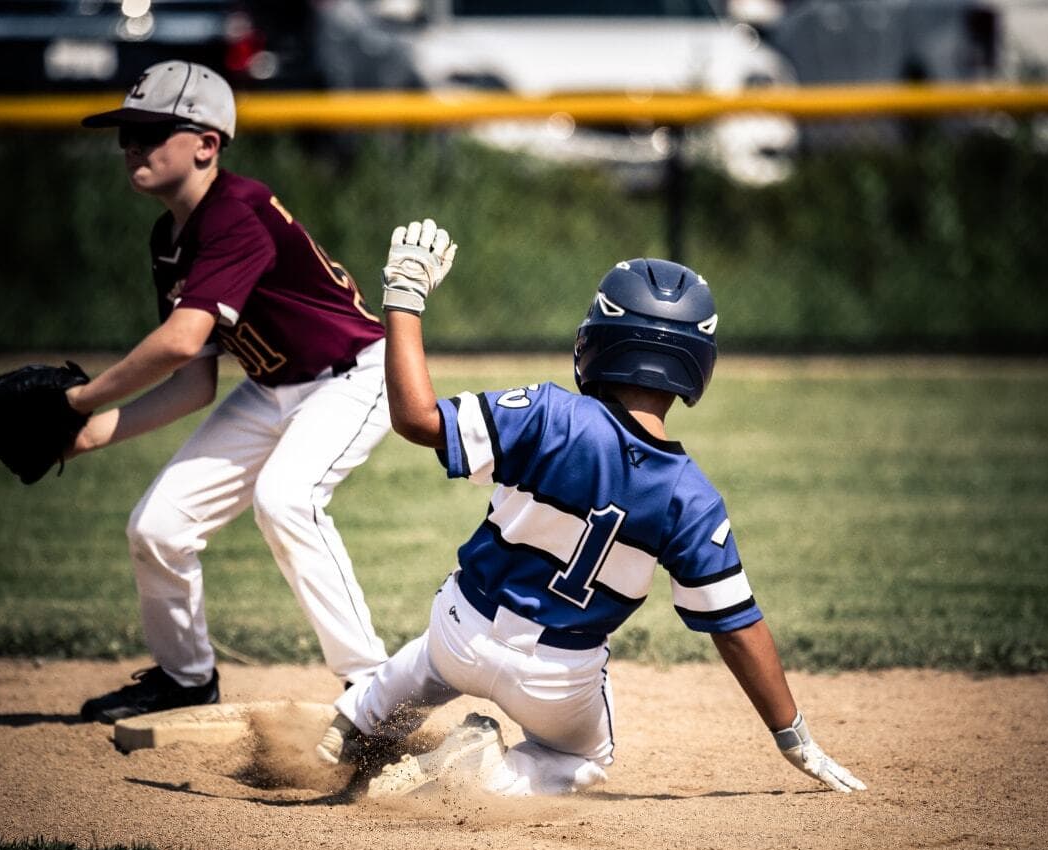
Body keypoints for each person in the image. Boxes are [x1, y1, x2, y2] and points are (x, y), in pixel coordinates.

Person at [316, 218, 866, 797]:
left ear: (597, 340)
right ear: (696, 364)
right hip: (558, 679)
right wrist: (793, 736)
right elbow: (735, 627)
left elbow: (417, 419)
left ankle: (363, 718)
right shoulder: (692, 497)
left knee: (433, 657)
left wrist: (404, 298)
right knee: (585, 757)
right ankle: (486, 774)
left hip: (462, 630)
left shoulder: (549, 413)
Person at [70, 60, 391, 722]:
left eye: (151, 132)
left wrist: (80, 400)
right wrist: (88, 434)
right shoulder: (170, 238)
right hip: (273, 389)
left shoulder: (236, 212)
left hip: (354, 376)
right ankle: (185, 679)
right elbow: (194, 382)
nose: (132, 146)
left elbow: (180, 340)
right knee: (159, 527)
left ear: (207, 144)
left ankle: (376, 691)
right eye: (126, 133)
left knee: (286, 500)